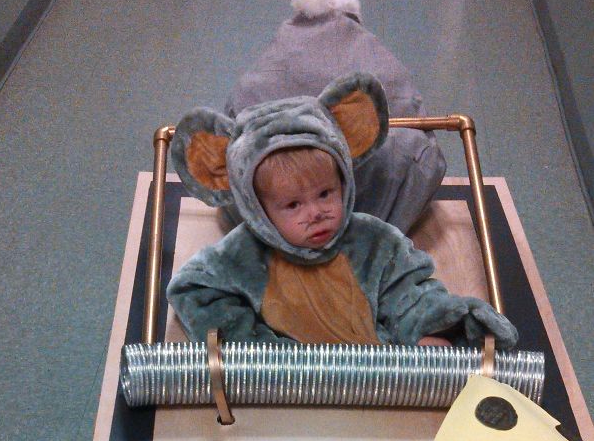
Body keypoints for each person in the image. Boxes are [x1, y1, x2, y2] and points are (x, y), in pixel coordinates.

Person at [166, 72, 518, 351]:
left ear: (344, 182)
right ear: (258, 210)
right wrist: (254, 348)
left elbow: (408, 294)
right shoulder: (244, 252)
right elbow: (193, 289)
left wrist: (425, 332)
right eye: (293, 205)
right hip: (284, 385)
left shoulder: (372, 240)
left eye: (325, 194)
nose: (316, 213)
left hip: (377, 373)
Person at [223, 0, 447, 236]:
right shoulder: (374, 55)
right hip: (381, 184)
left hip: (271, 193)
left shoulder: (272, 59)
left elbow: (239, 107)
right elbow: (405, 104)